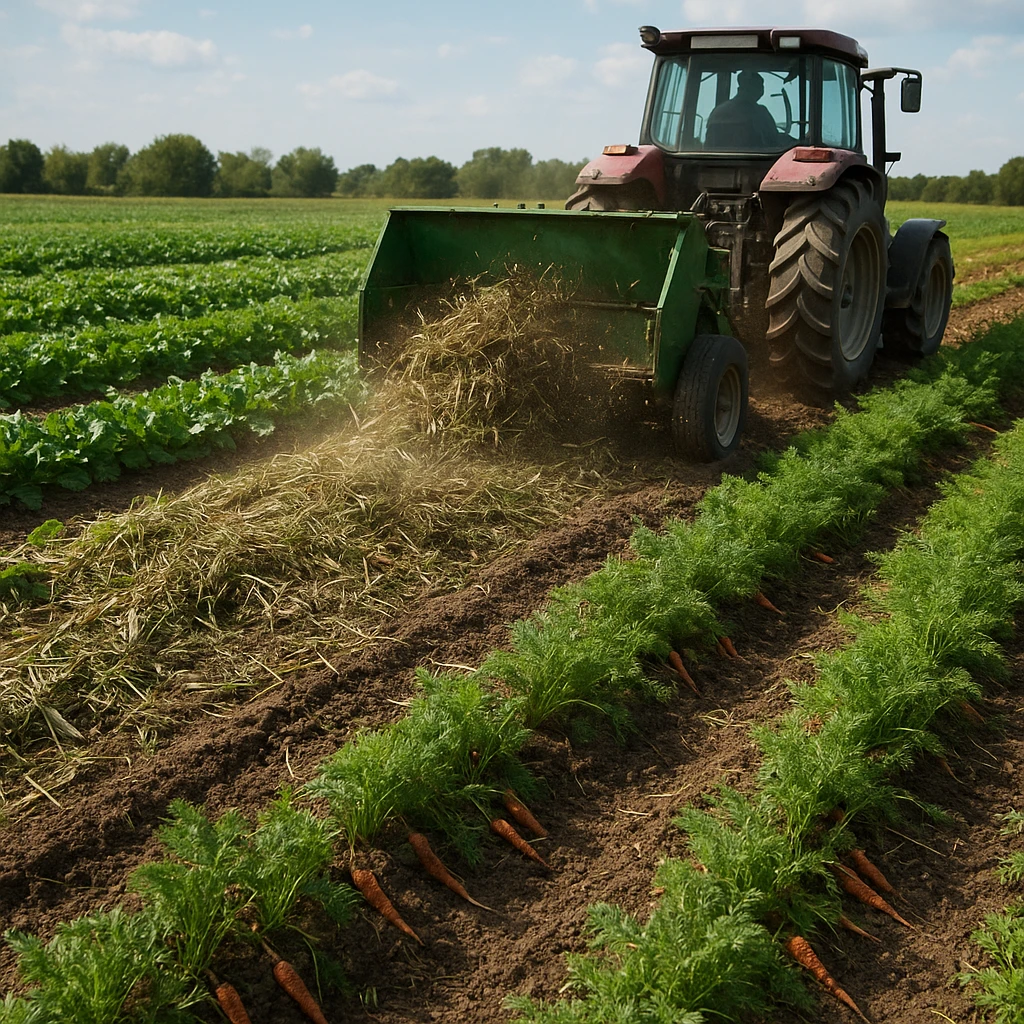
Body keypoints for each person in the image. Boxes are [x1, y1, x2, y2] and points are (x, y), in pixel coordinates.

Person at [705, 70, 781, 151]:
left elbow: (708, 146)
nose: (762, 90)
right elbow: (774, 142)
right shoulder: (761, 113)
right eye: (760, 86)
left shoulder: (718, 111)